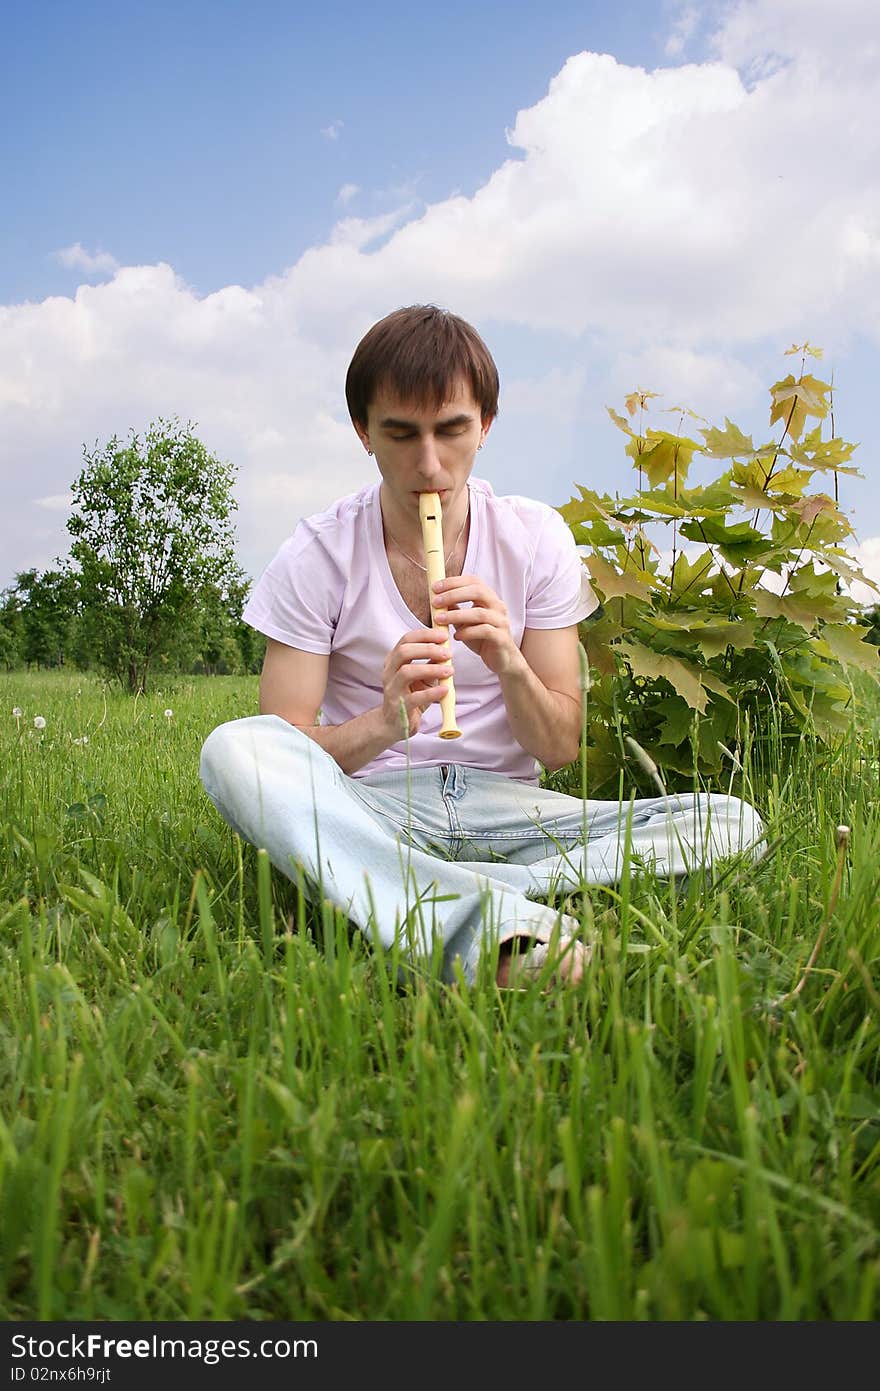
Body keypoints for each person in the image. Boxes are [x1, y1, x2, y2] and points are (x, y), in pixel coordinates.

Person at [200, 305, 765, 990]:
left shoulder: (535, 537)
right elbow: (280, 745)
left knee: (732, 823)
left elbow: (558, 745)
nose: (430, 462)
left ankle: (425, 890)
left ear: (485, 426)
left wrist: (508, 661)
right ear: (364, 433)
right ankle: (490, 922)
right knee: (234, 749)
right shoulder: (317, 552)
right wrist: (384, 723)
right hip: (376, 806)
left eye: (452, 430)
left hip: (514, 808)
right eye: (401, 434)